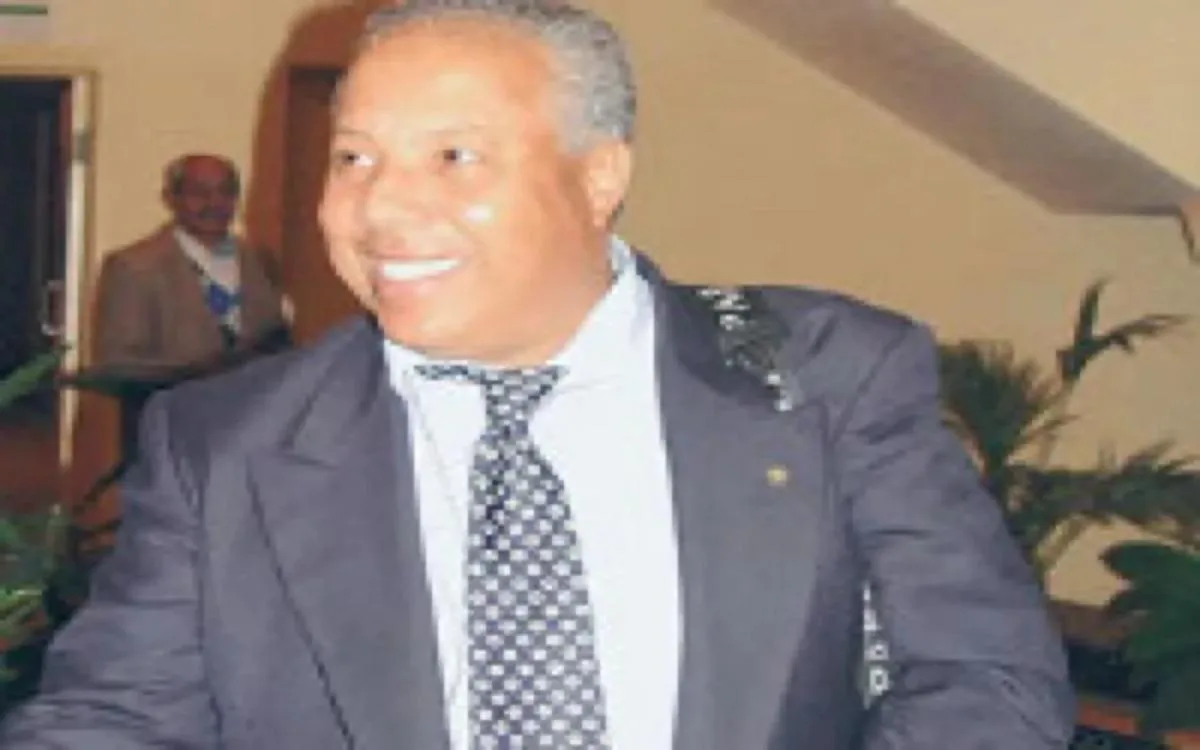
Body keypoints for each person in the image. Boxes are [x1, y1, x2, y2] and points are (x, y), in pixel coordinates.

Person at [0, 2, 1074, 748]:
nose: (379, 206)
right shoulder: (228, 445)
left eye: (453, 156)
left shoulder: (824, 379)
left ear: (599, 177)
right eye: (354, 156)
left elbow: (987, 684)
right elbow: (113, 720)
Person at [93, 153, 289, 378]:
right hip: (169, 399)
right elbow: (120, 365)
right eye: (200, 193)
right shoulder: (133, 268)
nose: (215, 203)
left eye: (226, 192)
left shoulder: (261, 262)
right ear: (170, 198)